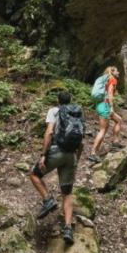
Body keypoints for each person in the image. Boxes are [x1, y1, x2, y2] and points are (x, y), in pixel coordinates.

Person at [28, 91, 85, 244]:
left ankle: (48, 200)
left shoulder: (54, 111)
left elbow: (49, 133)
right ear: (71, 100)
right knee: (67, 194)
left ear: (58, 101)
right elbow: (81, 141)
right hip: (71, 155)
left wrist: (43, 155)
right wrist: (76, 159)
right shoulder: (77, 114)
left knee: (34, 174)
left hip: (56, 151)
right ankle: (67, 228)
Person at [88, 66, 123, 163]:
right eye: (117, 70)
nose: (118, 72)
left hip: (100, 105)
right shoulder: (112, 79)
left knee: (119, 120)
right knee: (103, 130)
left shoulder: (104, 79)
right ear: (112, 72)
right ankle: (93, 153)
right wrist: (111, 107)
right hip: (105, 106)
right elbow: (110, 93)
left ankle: (115, 142)